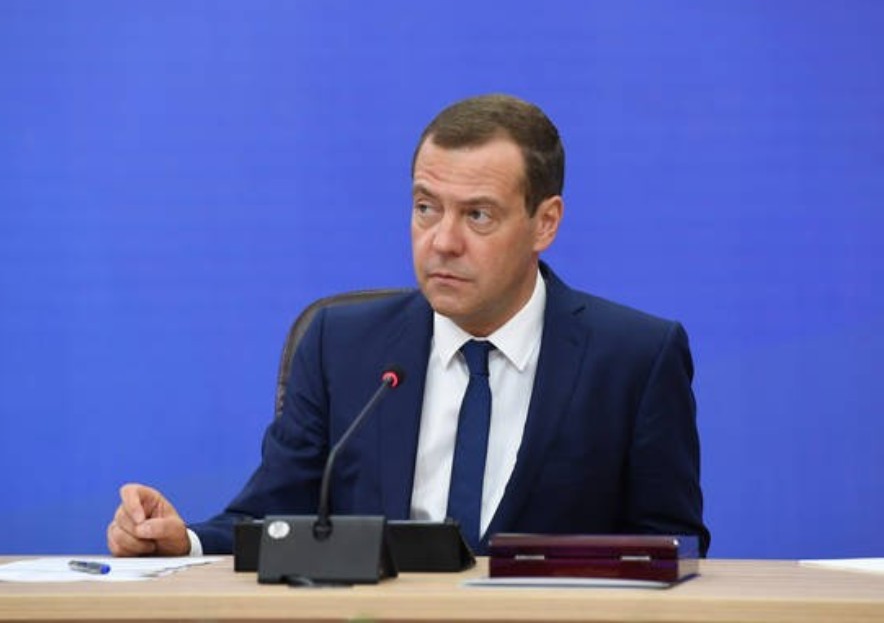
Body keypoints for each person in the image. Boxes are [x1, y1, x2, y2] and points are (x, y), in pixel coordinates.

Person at [107, 94, 710, 558]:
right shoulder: (341, 347)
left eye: (478, 215)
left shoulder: (633, 358)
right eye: (426, 207)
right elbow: (272, 520)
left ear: (544, 223)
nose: (442, 241)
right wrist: (182, 540)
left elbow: (672, 547)